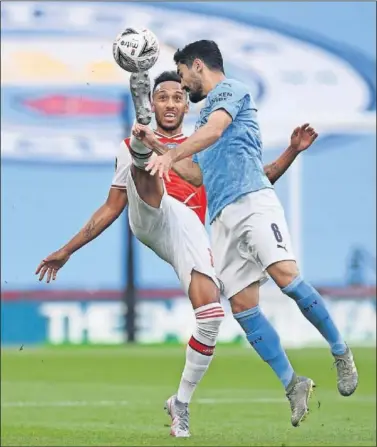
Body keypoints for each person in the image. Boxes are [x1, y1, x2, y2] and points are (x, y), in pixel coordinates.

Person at [36, 70, 318, 437]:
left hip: (186, 231)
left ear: (186, 104)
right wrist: (67, 250)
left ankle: (180, 403)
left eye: (176, 97)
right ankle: (144, 147)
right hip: (149, 214)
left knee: (212, 316)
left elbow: (250, 182)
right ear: (152, 104)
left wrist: (292, 151)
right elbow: (110, 207)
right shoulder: (128, 145)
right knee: (146, 169)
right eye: (162, 98)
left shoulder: (203, 145)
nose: (170, 103)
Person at [143, 40, 359, 428]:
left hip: (254, 203)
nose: (181, 83)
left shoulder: (231, 91)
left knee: (287, 278)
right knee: (242, 308)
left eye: (181, 74)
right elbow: (197, 176)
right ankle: (293, 383)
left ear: (196, 66)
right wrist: (158, 145)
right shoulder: (202, 120)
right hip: (222, 218)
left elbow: (215, 131)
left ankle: (341, 351)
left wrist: (171, 154)